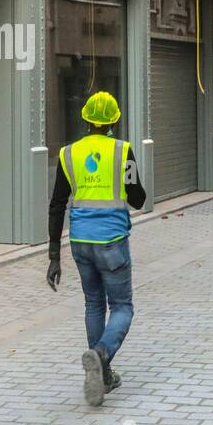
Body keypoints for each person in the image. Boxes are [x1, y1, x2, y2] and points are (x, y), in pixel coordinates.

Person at [46, 90, 147, 406]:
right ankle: (101, 355)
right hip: (112, 242)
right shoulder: (122, 151)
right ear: (115, 120)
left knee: (93, 304)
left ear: (86, 120)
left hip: (80, 243)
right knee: (122, 307)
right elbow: (138, 198)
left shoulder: (68, 154)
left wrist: (53, 256)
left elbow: (57, 204)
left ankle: (101, 377)